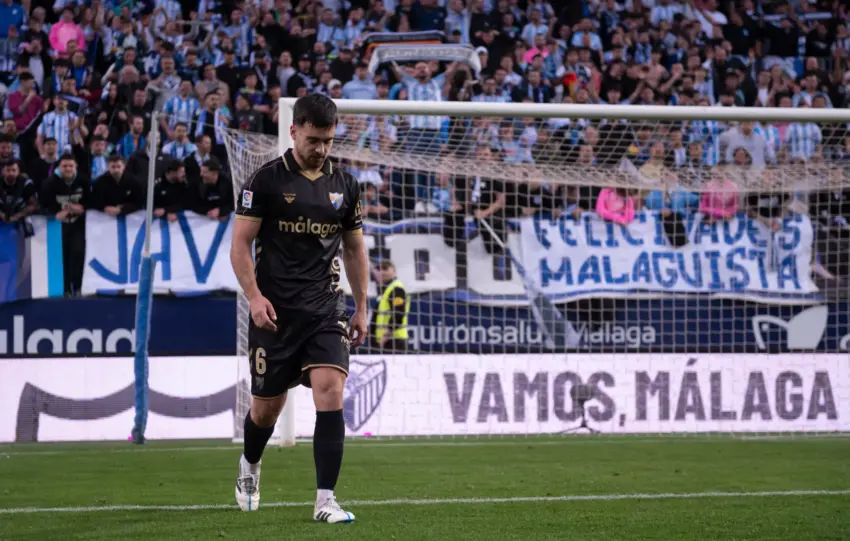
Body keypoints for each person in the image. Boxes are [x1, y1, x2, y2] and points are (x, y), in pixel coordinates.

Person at [230, 93, 368, 523]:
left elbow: (354, 247)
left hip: (325, 310)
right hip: (275, 314)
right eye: (313, 139)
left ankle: (325, 500)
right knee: (266, 409)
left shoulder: (344, 185)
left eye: (327, 140)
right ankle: (250, 464)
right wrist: (254, 296)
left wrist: (362, 306)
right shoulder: (266, 181)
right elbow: (239, 244)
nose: (321, 149)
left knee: (331, 390)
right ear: (293, 131)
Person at [371, 260, 410, 352]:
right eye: (379, 269)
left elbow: (399, 313)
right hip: (386, 341)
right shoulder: (386, 291)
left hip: (393, 340)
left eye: (385, 268)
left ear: (394, 272)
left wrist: (386, 334)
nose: (382, 272)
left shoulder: (397, 288)